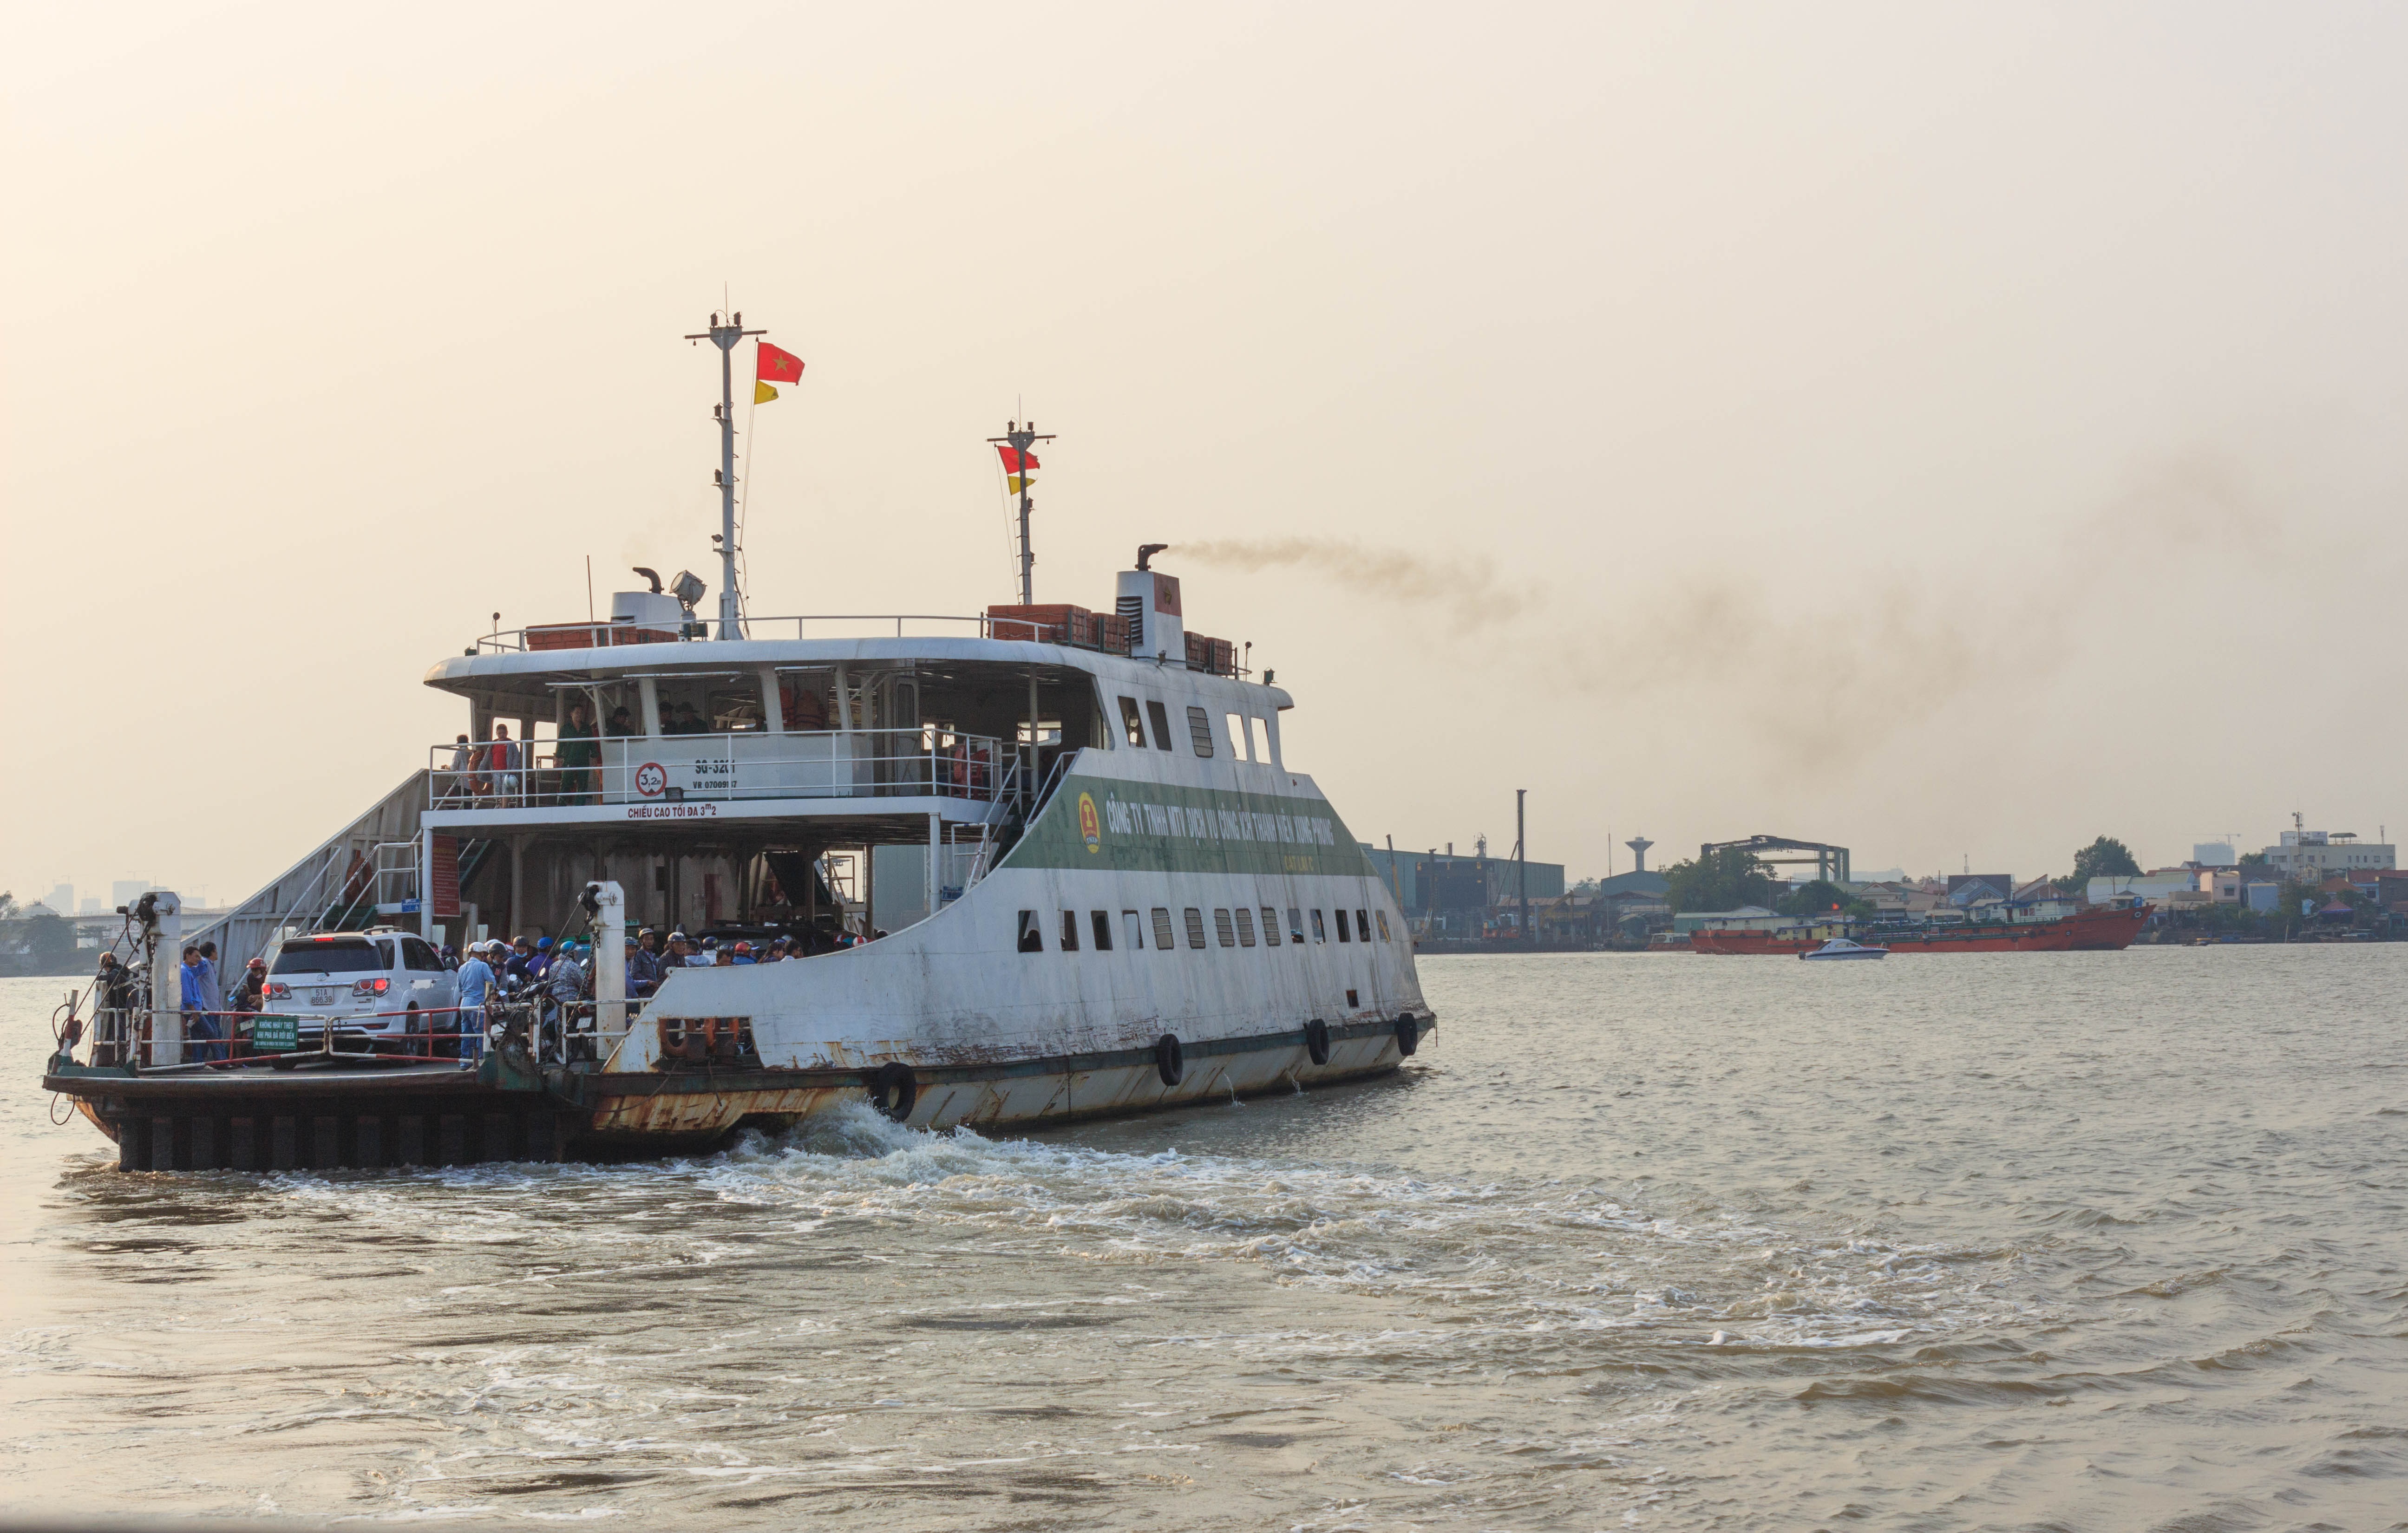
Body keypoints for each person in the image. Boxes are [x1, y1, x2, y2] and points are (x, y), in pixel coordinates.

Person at [178, 944, 224, 1063]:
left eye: (200, 957)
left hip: (196, 1010)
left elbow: (201, 969)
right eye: (196, 957)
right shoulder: (184, 972)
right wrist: (193, 1010)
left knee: (197, 1037)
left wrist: (201, 961)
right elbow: (187, 993)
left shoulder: (190, 971)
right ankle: (219, 1061)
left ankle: (198, 1062)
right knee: (211, 1032)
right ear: (188, 956)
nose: (199, 959)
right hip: (192, 1010)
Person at [453, 942, 495, 1064]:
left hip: (465, 1005)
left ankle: (465, 1062)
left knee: (466, 1035)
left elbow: (460, 988)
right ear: (482, 954)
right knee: (481, 1036)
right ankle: (481, 1061)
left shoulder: (462, 968)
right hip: (478, 1006)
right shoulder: (483, 966)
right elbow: (492, 984)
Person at [557, 700, 601, 804]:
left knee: (583, 785)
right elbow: (560, 745)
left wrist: (595, 758)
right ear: (571, 714)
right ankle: (561, 807)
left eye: (581, 713)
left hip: (583, 761)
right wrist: (558, 758)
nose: (579, 715)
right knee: (566, 784)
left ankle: (579, 807)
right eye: (577, 713)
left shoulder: (587, 729)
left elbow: (592, 744)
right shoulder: (565, 729)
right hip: (569, 761)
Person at [228, 957, 267, 1058]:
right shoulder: (251, 978)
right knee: (238, 1031)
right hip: (252, 1018)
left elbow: (267, 996)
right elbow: (251, 996)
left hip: (264, 1016)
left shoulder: (269, 979)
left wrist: (258, 998)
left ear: (262, 970)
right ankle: (238, 1058)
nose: (253, 972)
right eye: (252, 970)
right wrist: (249, 993)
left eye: (256, 970)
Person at [628, 930, 662, 998]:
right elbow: (635, 975)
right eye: (647, 939)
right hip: (644, 993)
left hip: (655, 992)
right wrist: (649, 983)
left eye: (651, 939)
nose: (650, 942)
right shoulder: (638, 955)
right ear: (641, 941)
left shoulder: (653, 956)